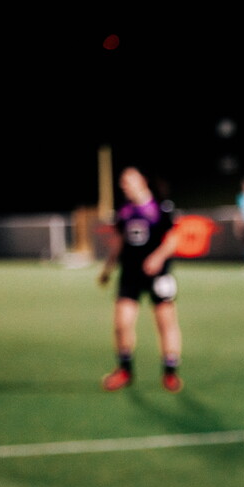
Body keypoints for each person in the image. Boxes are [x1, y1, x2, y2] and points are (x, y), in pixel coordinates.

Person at [99, 166, 184, 393]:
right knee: (122, 323)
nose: (124, 186)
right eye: (123, 182)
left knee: (166, 324)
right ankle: (125, 370)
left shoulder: (161, 208)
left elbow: (173, 240)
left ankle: (170, 372)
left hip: (158, 276)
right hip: (130, 275)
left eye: (128, 181)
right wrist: (107, 270)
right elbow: (118, 242)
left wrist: (157, 257)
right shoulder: (124, 211)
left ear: (142, 181)